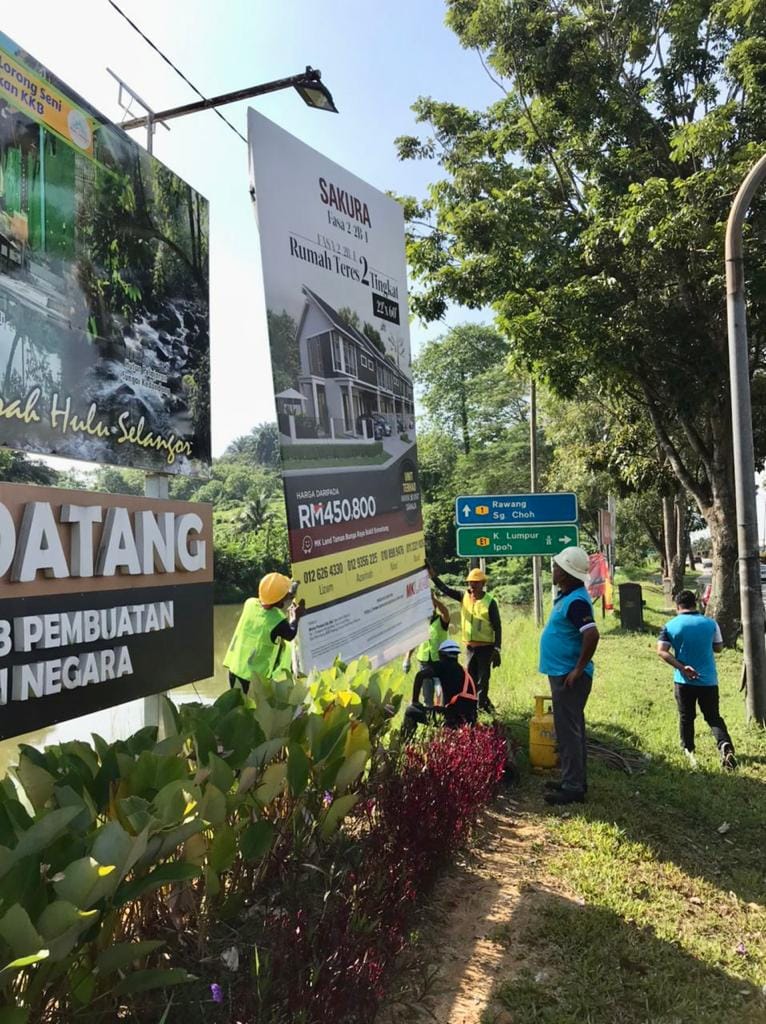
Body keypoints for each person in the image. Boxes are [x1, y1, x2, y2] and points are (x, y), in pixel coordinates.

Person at [539, 546, 600, 805]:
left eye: (557, 568)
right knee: (572, 729)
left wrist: (577, 668)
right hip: (562, 672)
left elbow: (591, 634)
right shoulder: (569, 596)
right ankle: (572, 780)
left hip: (568, 675)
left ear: (565, 573)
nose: (553, 571)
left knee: (568, 731)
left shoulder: (575, 601)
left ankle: (573, 786)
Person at [657, 589, 737, 770]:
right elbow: (718, 648)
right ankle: (725, 745)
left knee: (687, 717)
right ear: (696, 603)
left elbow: (661, 651)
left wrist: (682, 667)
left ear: (678, 606)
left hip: (683, 681)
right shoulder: (711, 623)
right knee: (713, 717)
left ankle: (689, 749)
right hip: (709, 680)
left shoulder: (670, 625)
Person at [429, 565, 501, 713]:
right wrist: (433, 576)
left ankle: (480, 708)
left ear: (483, 584)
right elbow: (446, 590)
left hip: (486, 648)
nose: (472, 586)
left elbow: (497, 627)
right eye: (470, 583)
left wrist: (497, 648)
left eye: (476, 583)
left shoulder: (490, 602)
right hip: (470, 648)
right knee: (469, 679)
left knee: (483, 679)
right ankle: (477, 705)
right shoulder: (464, 597)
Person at [223, 572, 306, 694]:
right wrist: (295, 617)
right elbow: (290, 634)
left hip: (235, 670)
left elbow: (271, 597)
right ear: (280, 600)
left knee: (238, 707)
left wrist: (289, 590)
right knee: (255, 711)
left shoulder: (250, 603)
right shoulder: (277, 620)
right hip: (254, 680)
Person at [402, 639, 478, 739]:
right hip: (469, 720)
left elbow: (420, 676)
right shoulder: (463, 672)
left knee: (411, 711)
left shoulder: (442, 666)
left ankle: (405, 743)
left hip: (452, 720)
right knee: (441, 710)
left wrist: (415, 701)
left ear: (441, 654)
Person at [402, 591, 451, 705]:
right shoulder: (420, 622)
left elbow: (445, 612)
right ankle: (429, 717)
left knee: (442, 693)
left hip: (439, 662)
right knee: (427, 695)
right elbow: (414, 641)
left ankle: (444, 718)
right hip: (424, 663)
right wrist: (407, 658)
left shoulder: (441, 620)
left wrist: (433, 599)